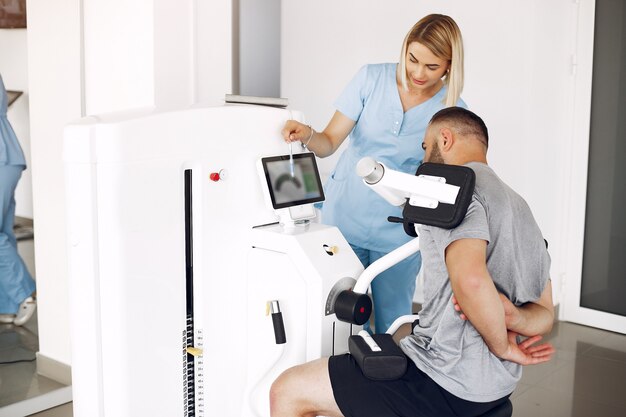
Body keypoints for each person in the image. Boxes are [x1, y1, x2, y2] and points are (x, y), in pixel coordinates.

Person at [270, 107, 555, 417]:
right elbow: (544, 312)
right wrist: (512, 317)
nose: (422, 158)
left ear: (444, 139)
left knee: (288, 390)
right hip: (498, 384)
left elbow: (471, 281)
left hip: (443, 380)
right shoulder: (521, 208)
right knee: (385, 349)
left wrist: (501, 344)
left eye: (424, 146)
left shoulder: (450, 191)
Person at [282, 14, 466, 333]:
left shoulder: (452, 111)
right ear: (405, 48)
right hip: (345, 217)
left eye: (432, 66)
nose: (418, 73)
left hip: (398, 231)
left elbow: (444, 183)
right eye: (412, 59)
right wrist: (307, 134)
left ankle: (386, 382)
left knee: (392, 321)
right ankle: (335, 381)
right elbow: (327, 144)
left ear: (450, 66)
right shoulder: (371, 78)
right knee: (335, 319)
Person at [0, 73, 36, 326]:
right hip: (8, 156)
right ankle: (9, 304)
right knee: (4, 232)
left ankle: (24, 292)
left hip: (2, 159)